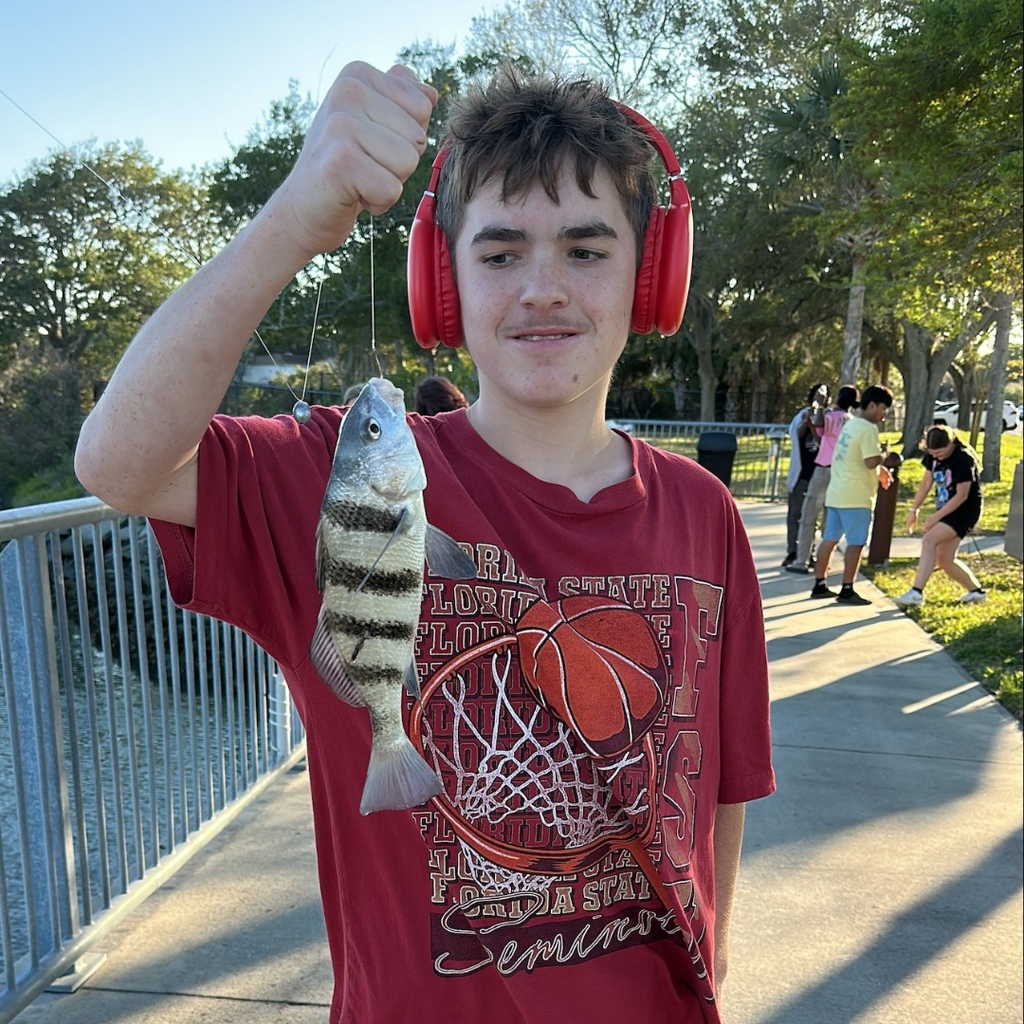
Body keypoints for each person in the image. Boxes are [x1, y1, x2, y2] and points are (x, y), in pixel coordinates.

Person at [75, 62, 775, 1024]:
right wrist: (297, 215)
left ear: (652, 278)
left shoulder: (706, 511)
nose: (541, 289)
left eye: (586, 249)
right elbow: (117, 462)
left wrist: (719, 956)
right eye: (497, 254)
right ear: (441, 288)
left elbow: (724, 785)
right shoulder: (332, 476)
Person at [810, 385, 894, 605]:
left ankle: (819, 584)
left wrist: (879, 470)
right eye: (883, 409)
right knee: (855, 543)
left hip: (837, 493)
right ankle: (847, 589)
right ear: (872, 405)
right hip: (856, 496)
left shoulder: (850, 425)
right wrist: (885, 456)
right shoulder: (867, 428)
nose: (883, 414)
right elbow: (869, 460)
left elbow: (855, 459)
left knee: (829, 540)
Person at [893, 425, 986, 606]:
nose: (937, 457)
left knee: (929, 540)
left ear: (951, 443)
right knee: (944, 559)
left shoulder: (963, 459)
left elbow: (962, 496)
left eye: (940, 453)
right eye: (933, 453)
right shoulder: (933, 457)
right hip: (947, 507)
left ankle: (916, 593)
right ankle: (976, 592)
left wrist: (935, 518)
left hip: (964, 510)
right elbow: (926, 482)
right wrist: (913, 510)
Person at [786, 385, 859, 574]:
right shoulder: (851, 422)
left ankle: (801, 561)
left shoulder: (830, 417)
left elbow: (818, 425)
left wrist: (817, 405)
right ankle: (823, 562)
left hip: (823, 470)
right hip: (840, 473)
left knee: (808, 516)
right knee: (829, 519)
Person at [782, 384, 827, 567]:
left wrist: (817, 422)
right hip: (800, 475)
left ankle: (810, 552)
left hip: (817, 476)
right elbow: (798, 433)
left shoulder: (826, 419)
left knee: (812, 518)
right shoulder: (801, 416)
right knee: (795, 515)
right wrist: (808, 420)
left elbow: (823, 442)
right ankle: (792, 551)